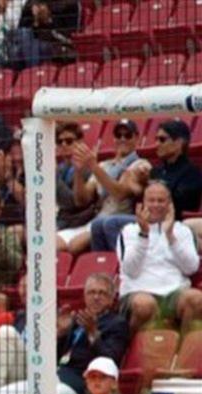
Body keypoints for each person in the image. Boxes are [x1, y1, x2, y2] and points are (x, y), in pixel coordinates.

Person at [92, 119, 202, 252]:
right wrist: (139, 184)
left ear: (179, 143)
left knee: (111, 223)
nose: (156, 144)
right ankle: (103, 265)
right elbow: (140, 194)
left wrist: (149, 185)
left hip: (170, 223)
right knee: (97, 225)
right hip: (147, 219)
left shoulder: (192, 173)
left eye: (162, 140)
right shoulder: (156, 170)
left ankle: (125, 263)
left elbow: (178, 205)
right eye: (156, 139)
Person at [117, 181, 202, 332]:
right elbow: (130, 270)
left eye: (161, 200)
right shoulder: (128, 231)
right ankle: (138, 352)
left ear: (169, 203)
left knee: (196, 299)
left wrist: (170, 237)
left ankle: (184, 350)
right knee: (144, 305)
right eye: (151, 200)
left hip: (175, 291)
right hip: (139, 290)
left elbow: (191, 268)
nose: (156, 205)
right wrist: (143, 236)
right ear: (143, 203)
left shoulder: (183, 230)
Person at [63, 119, 150, 254]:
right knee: (52, 242)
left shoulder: (140, 164)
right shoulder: (104, 165)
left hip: (120, 220)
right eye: (118, 135)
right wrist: (78, 172)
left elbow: (119, 193)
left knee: (74, 246)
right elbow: (82, 200)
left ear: (136, 138)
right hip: (96, 219)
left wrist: (93, 166)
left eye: (127, 135)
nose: (122, 139)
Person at [56, 273, 129, 394]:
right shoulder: (77, 319)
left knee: (51, 393)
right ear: (84, 296)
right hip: (59, 372)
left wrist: (92, 333)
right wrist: (61, 334)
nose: (96, 297)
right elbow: (57, 357)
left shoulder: (117, 323)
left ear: (111, 299)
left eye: (102, 293)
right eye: (91, 292)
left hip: (83, 379)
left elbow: (110, 359)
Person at [8, 0, 80, 69]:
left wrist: (48, 20)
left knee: (33, 45)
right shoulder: (33, 3)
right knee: (23, 36)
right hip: (30, 42)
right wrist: (35, 21)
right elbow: (22, 26)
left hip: (57, 44)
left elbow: (69, 36)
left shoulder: (70, 4)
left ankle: (33, 72)